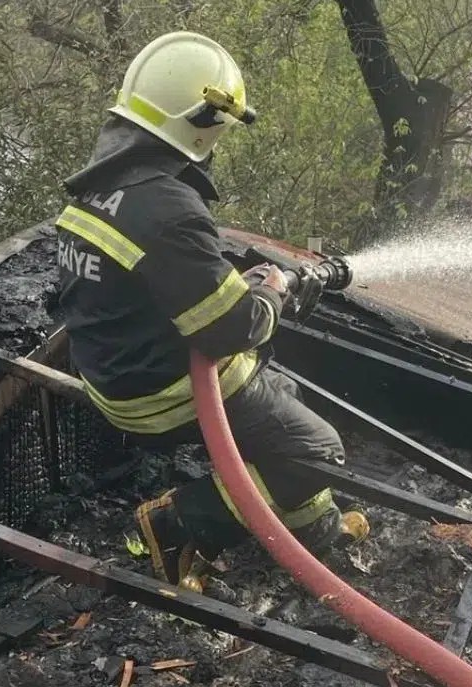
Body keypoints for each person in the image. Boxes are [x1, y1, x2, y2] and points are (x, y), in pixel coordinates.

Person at [51, 30, 369, 592]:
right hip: (159, 397)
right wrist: (271, 295)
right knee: (315, 450)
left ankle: (312, 531)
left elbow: (166, 281)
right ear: (206, 119)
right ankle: (174, 525)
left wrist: (236, 289)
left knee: (283, 400)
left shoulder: (106, 181)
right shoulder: (168, 205)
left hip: (118, 371)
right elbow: (231, 330)